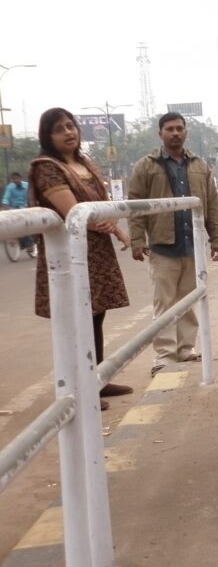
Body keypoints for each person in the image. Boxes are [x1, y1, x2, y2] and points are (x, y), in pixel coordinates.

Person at [28, 109, 133, 410]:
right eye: (59, 129)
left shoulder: (84, 163)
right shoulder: (47, 168)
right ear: (48, 137)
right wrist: (113, 228)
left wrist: (118, 231)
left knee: (96, 314)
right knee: (77, 318)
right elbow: (78, 214)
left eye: (70, 126)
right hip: (69, 255)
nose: (68, 132)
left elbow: (99, 207)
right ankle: (81, 388)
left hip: (95, 252)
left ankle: (96, 379)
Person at [128, 112, 218, 376]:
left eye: (179, 128)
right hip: (162, 246)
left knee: (188, 300)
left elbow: (211, 206)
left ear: (185, 132)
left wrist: (216, 238)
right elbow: (135, 205)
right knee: (165, 302)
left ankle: (185, 349)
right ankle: (165, 355)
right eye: (169, 129)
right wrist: (137, 239)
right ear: (160, 134)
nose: (175, 133)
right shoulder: (146, 166)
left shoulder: (200, 166)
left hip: (192, 245)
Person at [2, 172, 38, 257]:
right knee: (8, 220)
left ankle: (29, 243)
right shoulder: (10, 187)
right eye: (13, 179)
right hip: (13, 208)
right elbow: (6, 198)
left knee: (23, 224)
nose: (15, 180)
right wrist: (4, 205)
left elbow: (31, 197)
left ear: (20, 178)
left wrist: (29, 205)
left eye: (16, 178)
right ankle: (11, 237)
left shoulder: (27, 186)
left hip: (25, 207)